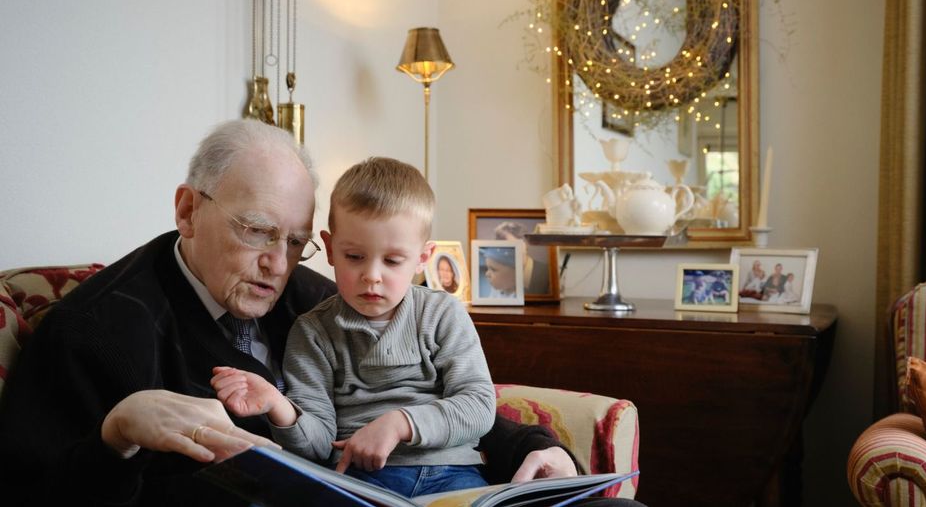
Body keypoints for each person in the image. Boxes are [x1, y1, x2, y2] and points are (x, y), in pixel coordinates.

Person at [0, 119, 646, 507]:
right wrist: (117, 433)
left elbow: (429, 398)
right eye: (256, 231)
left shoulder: (313, 297)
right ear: (187, 210)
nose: (278, 264)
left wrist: (538, 447)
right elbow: (31, 492)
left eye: (294, 240)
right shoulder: (95, 329)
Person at [210, 157, 494, 497]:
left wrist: (400, 424)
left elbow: (478, 405)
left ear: (423, 257)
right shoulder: (313, 332)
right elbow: (316, 445)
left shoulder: (443, 313)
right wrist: (279, 406)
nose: (372, 275)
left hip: (454, 471)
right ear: (330, 249)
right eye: (355, 257)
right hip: (362, 479)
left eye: (392, 260)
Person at [493, 220, 550, 294]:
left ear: (526, 244)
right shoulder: (499, 275)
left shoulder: (548, 273)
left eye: (513, 246)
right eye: (503, 249)